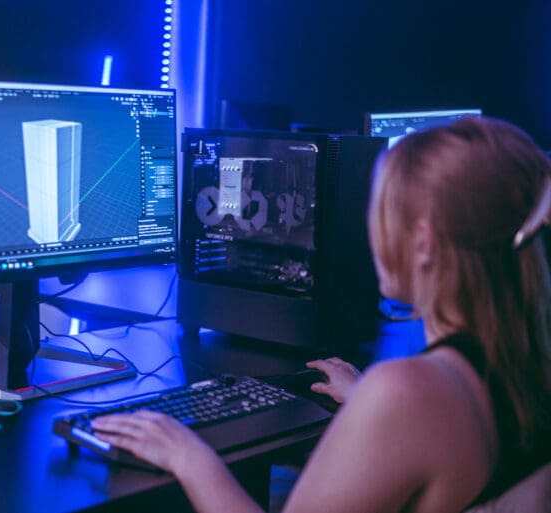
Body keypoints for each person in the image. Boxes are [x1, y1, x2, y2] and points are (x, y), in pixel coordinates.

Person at [91, 116, 551, 513]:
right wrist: (371, 410)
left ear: (424, 243)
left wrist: (188, 455)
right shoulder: (521, 368)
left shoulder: (410, 392)